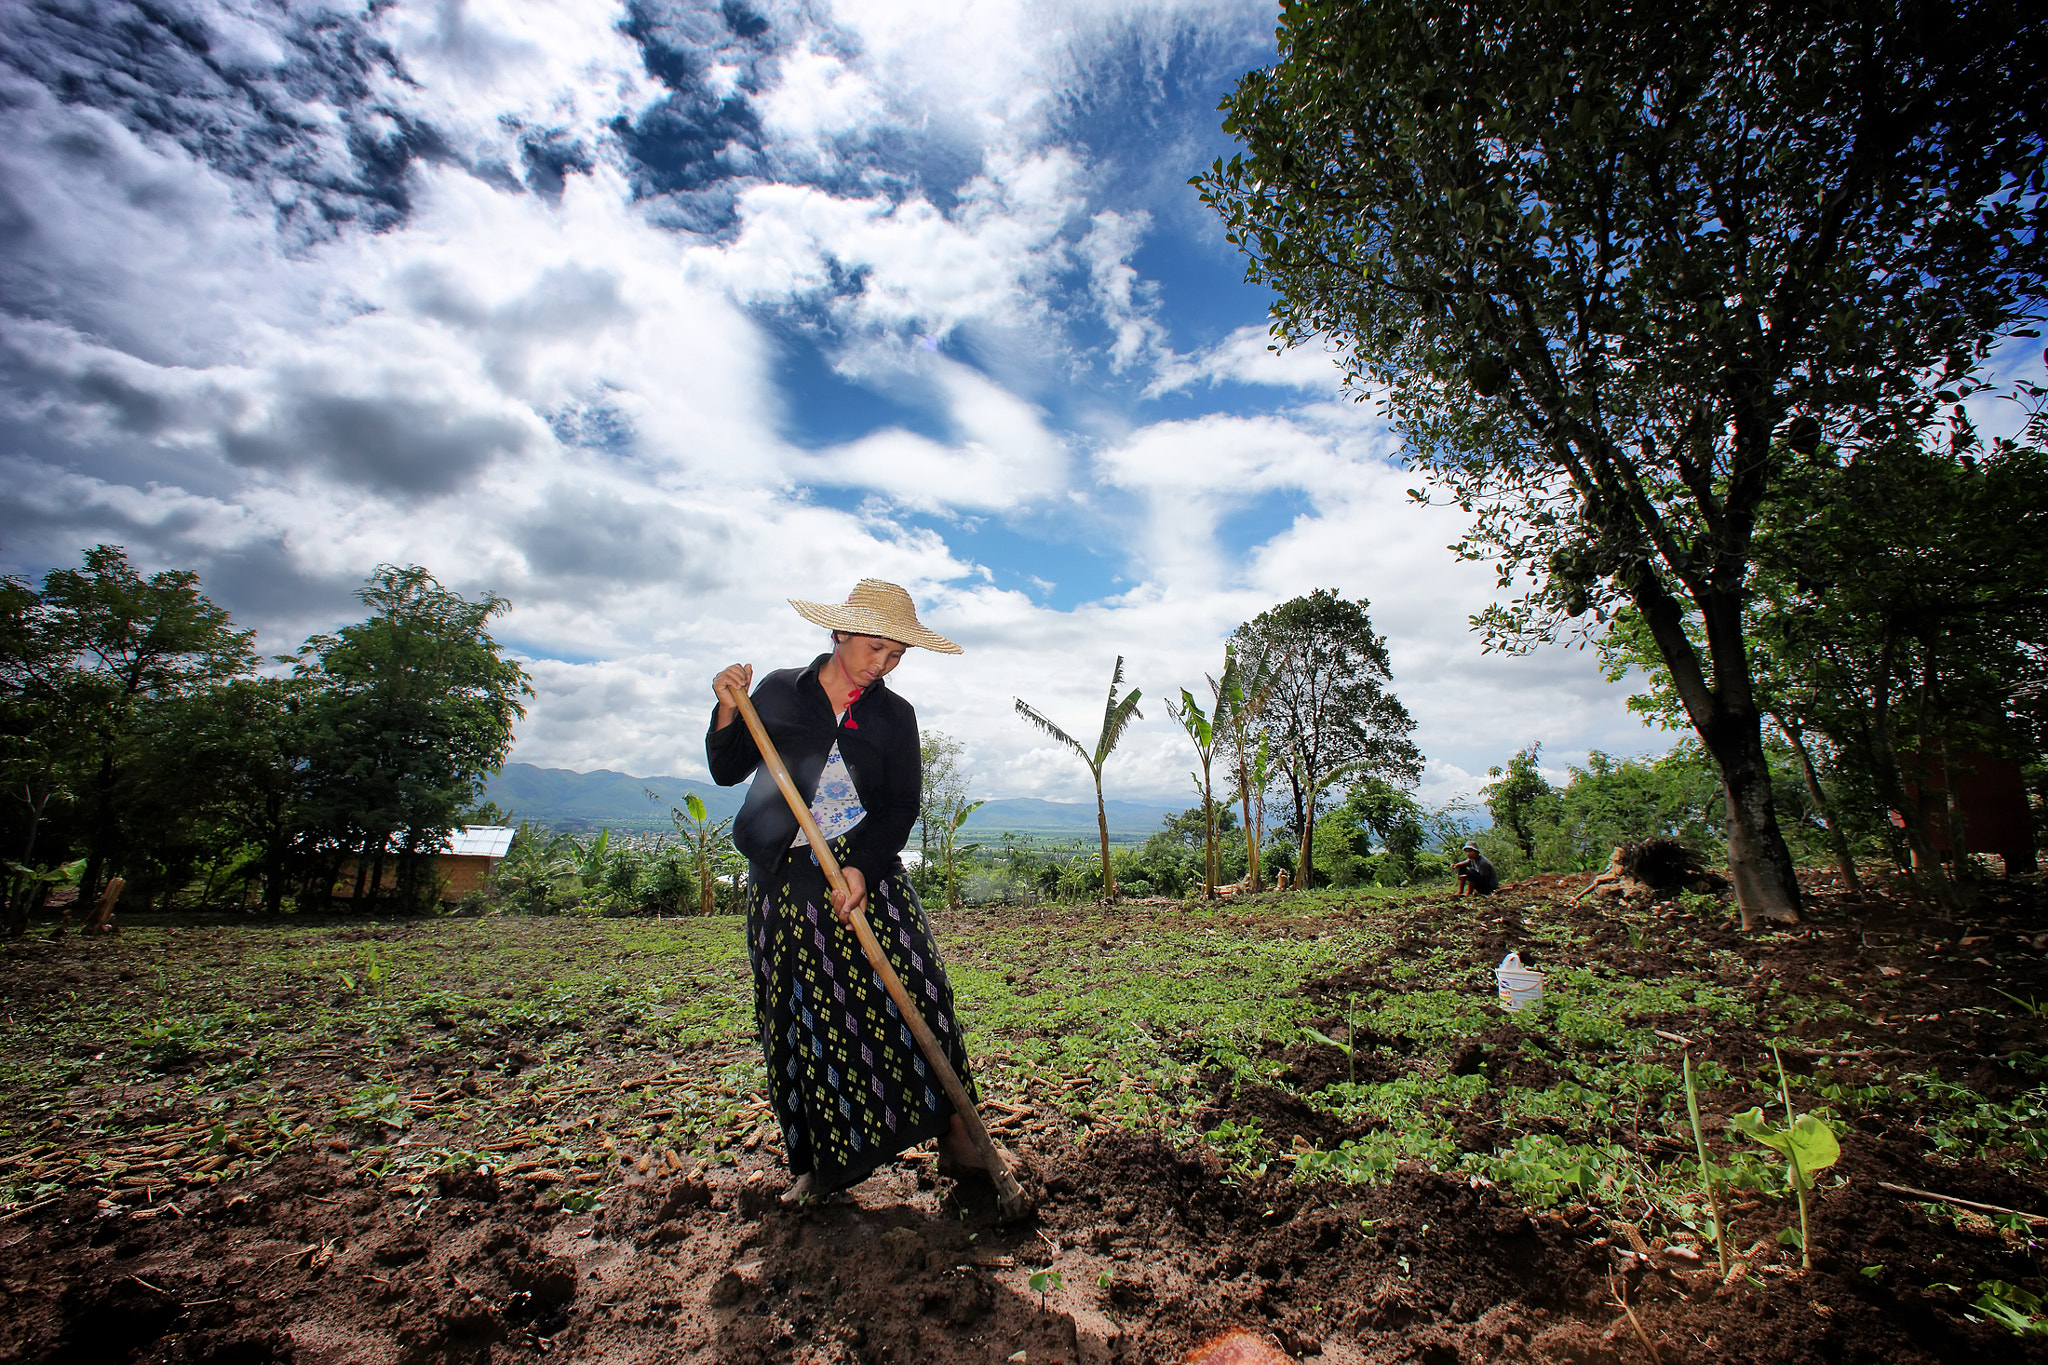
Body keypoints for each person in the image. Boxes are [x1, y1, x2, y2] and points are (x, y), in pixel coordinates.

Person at [707, 579, 987, 1202]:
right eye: (873, 649)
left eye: (895, 657)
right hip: (787, 875)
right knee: (804, 1014)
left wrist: (861, 865)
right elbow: (726, 770)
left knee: (922, 989)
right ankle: (820, 1164)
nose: (880, 666)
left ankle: (957, 1135)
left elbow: (900, 804)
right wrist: (729, 707)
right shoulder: (779, 691)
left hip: (867, 871)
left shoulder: (894, 716)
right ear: (838, 634)